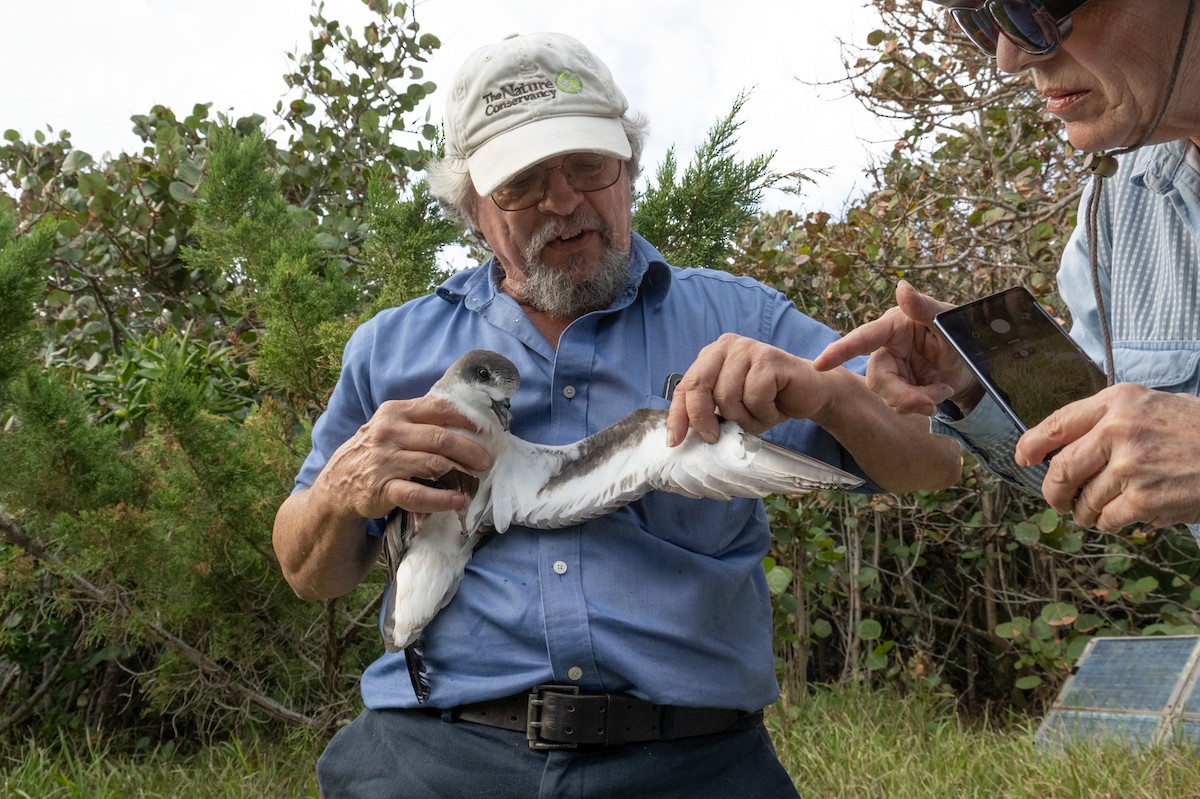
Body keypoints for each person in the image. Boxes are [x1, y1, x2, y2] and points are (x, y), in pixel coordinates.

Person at [272, 31, 962, 798]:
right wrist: (341, 489)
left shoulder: (741, 317)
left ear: (629, 167)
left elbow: (933, 461)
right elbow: (311, 575)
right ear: (472, 208)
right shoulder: (388, 348)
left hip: (692, 763)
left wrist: (830, 393)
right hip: (435, 752)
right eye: (523, 182)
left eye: (588, 166)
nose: (564, 202)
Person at [815, 0, 1200, 542]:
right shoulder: (1115, 206)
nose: (1007, 55)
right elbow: (1092, 469)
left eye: (1029, 7)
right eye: (979, 20)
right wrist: (977, 376)